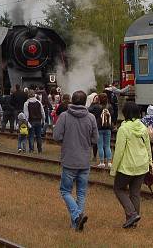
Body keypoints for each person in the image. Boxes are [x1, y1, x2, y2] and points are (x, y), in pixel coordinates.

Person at [53, 90, 98, 232]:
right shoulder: (91, 117)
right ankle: (76, 224)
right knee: (81, 193)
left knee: (65, 191)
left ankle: (77, 216)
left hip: (69, 160)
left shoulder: (65, 116)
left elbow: (56, 136)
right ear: (85, 102)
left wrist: (66, 141)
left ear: (72, 100)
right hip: (84, 160)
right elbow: (95, 139)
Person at [110, 101, 152, 229]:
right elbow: (147, 146)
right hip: (142, 165)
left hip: (127, 166)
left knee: (118, 188)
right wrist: (150, 161)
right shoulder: (143, 127)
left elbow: (119, 151)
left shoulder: (124, 129)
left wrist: (113, 169)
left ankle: (132, 214)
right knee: (135, 193)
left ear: (125, 113)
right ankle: (133, 221)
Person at [90, 93, 114, 168]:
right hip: (108, 128)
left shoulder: (96, 107)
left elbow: (89, 110)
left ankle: (102, 162)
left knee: (100, 146)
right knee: (107, 145)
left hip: (99, 128)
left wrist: (93, 103)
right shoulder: (110, 106)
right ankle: (109, 162)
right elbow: (113, 114)